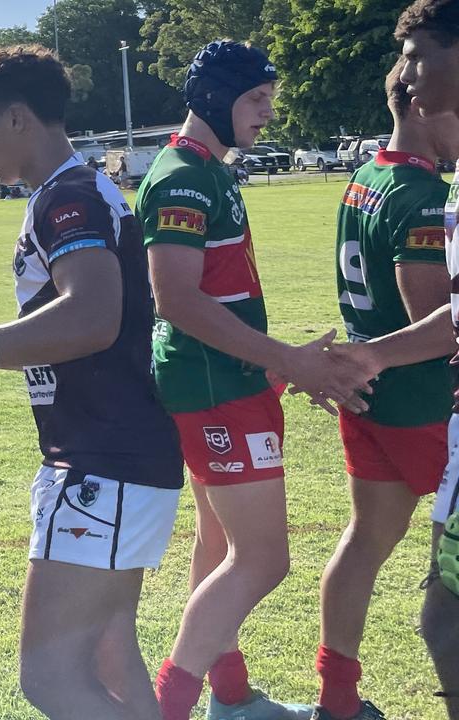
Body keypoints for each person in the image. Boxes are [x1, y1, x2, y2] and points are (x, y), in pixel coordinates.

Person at [0, 44, 184, 720]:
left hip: (103, 460)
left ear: (18, 118)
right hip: (120, 456)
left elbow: (94, 315)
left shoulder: (68, 197)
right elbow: (79, 327)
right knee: (110, 648)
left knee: (48, 679)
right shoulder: (69, 191)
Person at [137, 41, 371, 720]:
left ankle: (231, 699)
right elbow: (176, 298)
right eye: (256, 99)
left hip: (226, 381)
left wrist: (272, 359)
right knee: (263, 561)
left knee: (217, 547)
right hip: (216, 389)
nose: (269, 112)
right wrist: (286, 358)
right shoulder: (183, 174)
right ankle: (169, 710)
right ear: (216, 97)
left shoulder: (208, 169)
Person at [302, 60, 458, 720]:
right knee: (445, 583)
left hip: (368, 399)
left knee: (365, 540)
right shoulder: (422, 195)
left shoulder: (363, 178)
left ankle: (337, 699)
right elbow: (439, 323)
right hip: (423, 403)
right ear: (424, 106)